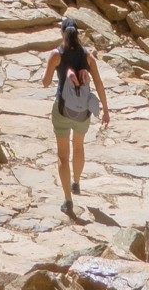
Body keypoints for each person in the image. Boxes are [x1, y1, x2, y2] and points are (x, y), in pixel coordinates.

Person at [42, 19, 110, 212]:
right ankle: (76, 182)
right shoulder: (88, 57)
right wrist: (105, 110)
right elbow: (98, 83)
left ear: (63, 33)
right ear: (77, 34)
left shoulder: (57, 54)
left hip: (62, 108)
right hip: (83, 110)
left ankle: (67, 200)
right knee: (78, 146)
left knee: (63, 155)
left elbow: (46, 82)